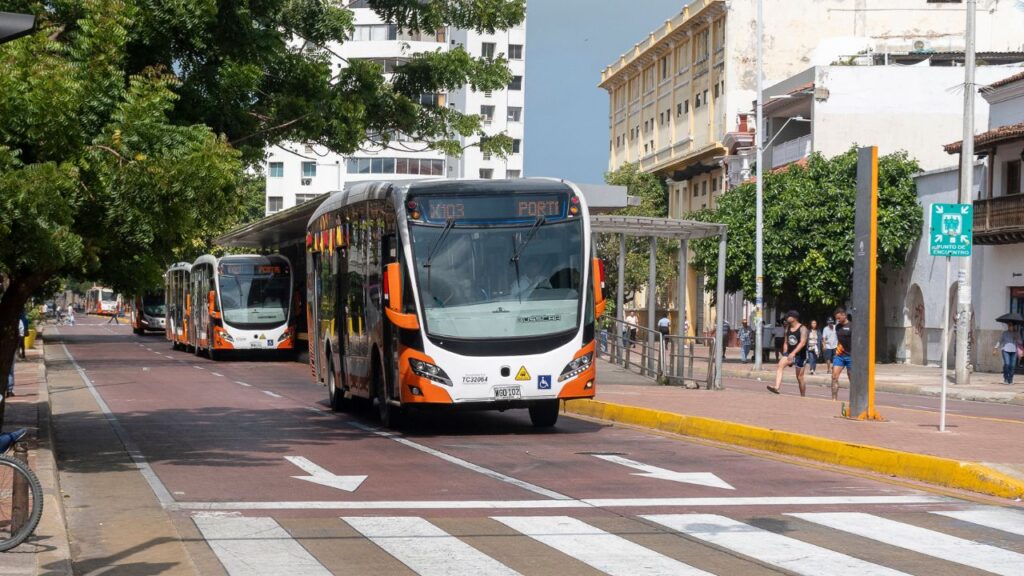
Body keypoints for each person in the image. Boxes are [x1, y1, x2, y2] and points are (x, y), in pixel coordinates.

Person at [767, 310, 809, 396]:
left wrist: (793, 353)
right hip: (789, 353)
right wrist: (785, 353)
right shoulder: (787, 328)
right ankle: (776, 387)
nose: (786, 318)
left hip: (800, 355)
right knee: (780, 365)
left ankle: (803, 395)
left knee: (799, 377)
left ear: (794, 318)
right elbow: (786, 342)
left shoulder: (803, 328)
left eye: (788, 316)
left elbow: (803, 343)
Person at [831, 307, 853, 401]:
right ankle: (834, 399)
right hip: (840, 355)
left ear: (844, 315)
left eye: (839, 318)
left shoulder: (852, 326)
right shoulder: (837, 327)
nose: (838, 320)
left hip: (851, 356)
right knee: (834, 376)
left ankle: (854, 400)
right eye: (836, 319)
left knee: (851, 377)